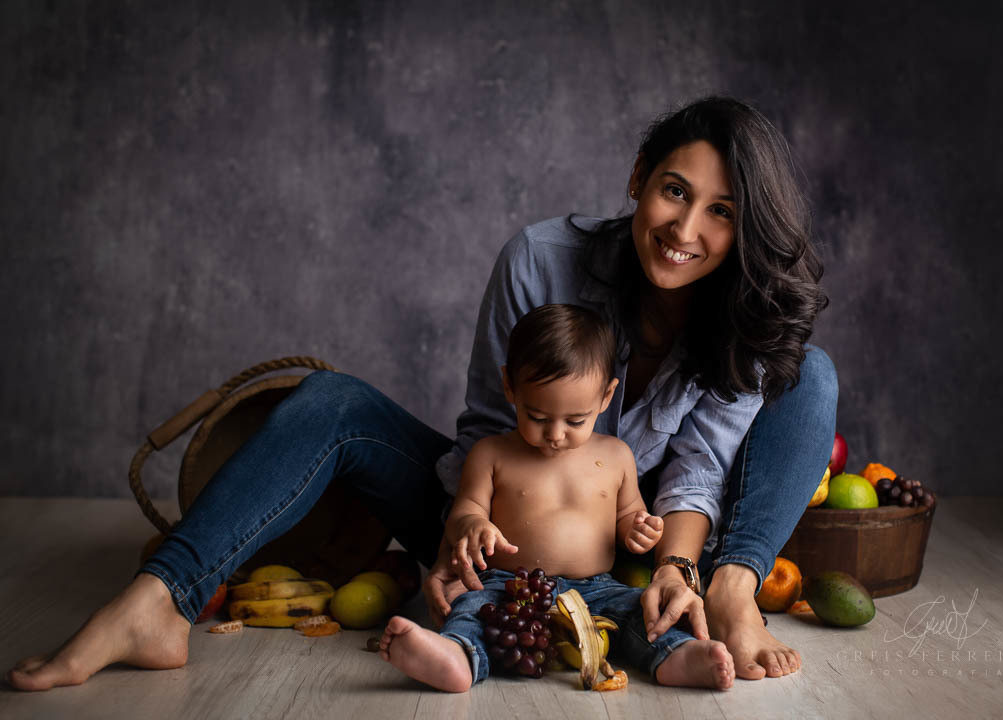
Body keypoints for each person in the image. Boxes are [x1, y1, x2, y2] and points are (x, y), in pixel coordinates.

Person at [6, 95, 835, 692]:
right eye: (675, 190)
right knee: (330, 401)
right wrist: (460, 536)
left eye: (722, 212)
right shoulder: (540, 260)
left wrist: (682, 566)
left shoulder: (748, 313)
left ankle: (732, 593)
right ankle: (158, 604)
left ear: (746, 227)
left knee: (813, 374)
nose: (686, 229)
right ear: (638, 178)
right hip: (498, 525)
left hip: (643, 535)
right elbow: (487, 425)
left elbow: (698, 467)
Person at [379, 303, 734, 692]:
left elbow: (628, 513)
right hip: (507, 584)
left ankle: (676, 656)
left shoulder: (616, 456)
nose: (556, 433)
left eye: (575, 421)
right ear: (510, 386)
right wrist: (473, 524)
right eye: (538, 417)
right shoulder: (491, 454)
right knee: (470, 608)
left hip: (598, 587)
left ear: (605, 396)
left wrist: (637, 529)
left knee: (641, 610)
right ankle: (457, 656)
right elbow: (466, 508)